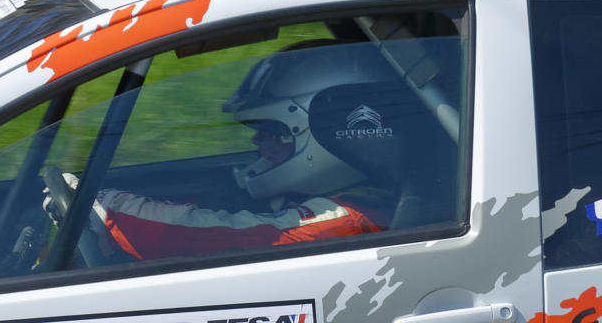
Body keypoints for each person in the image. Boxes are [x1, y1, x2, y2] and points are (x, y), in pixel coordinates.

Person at [56, 39, 422, 262]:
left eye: (271, 131)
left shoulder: (355, 218)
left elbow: (229, 235)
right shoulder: (334, 198)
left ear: (331, 135)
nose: (256, 143)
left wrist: (106, 207)